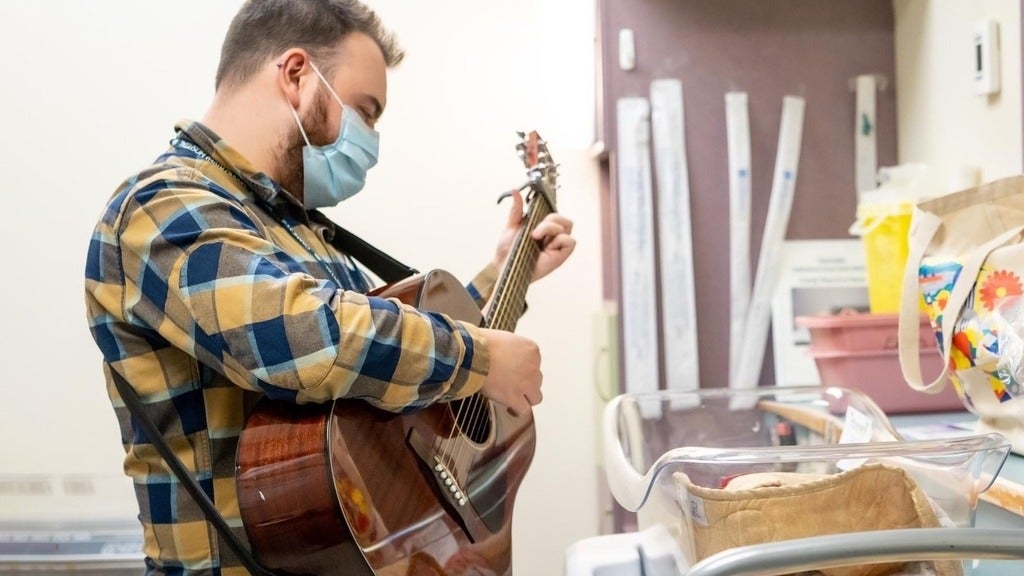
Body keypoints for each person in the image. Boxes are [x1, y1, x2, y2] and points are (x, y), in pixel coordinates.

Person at [83, 1, 575, 574]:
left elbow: (385, 360)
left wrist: (506, 272)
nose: (372, 141)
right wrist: (479, 357)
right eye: (365, 111)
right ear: (296, 75)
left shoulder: (298, 230)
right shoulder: (161, 208)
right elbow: (304, 338)